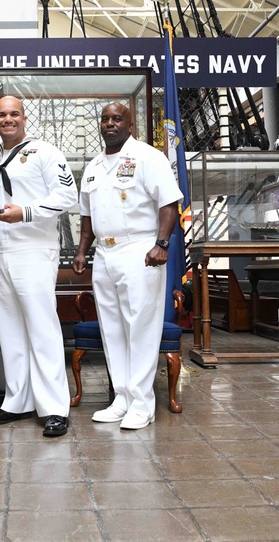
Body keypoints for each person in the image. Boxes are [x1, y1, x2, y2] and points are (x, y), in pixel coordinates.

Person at [71, 102, 182, 430]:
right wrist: (81, 252)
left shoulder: (149, 157)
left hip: (139, 250)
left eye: (116, 118)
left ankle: (142, 402)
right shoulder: (92, 167)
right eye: (104, 119)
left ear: (131, 124)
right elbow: (87, 218)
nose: (109, 123)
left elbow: (169, 204)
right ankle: (121, 398)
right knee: (113, 328)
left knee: (141, 327)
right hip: (104, 256)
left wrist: (161, 244)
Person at [0, 96, 78, 438]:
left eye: (14, 114)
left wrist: (26, 211)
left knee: (41, 326)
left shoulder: (45, 152)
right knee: (10, 329)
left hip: (34, 247)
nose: (8, 119)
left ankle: (54, 408)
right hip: (1, 252)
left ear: (24, 117)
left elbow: (68, 197)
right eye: (1, 115)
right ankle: (17, 400)